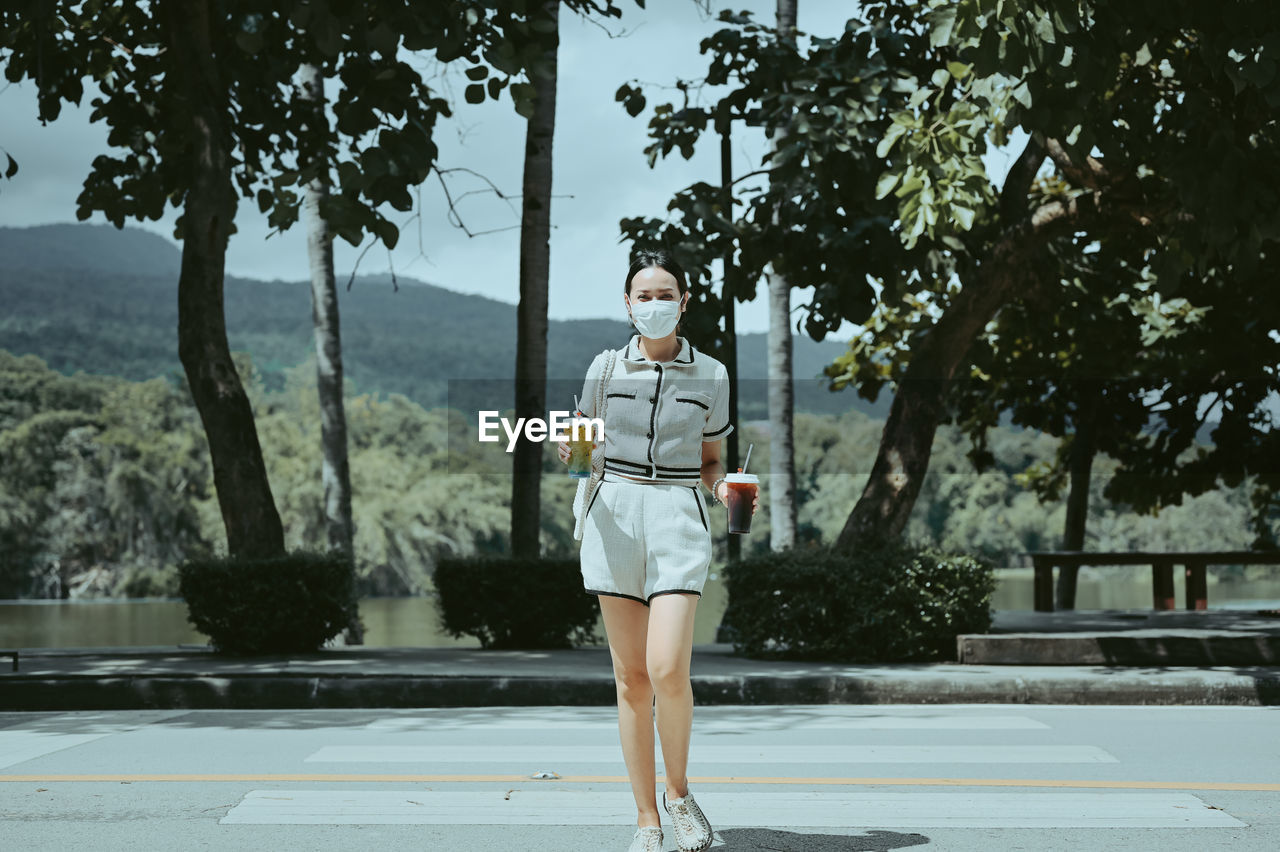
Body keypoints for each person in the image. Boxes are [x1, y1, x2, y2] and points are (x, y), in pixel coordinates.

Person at [558, 248, 758, 852]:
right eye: (642, 296)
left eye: (664, 294)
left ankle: (679, 794)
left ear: (684, 301)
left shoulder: (713, 376)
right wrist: (570, 453)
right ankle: (646, 818)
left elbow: (712, 461)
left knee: (670, 669)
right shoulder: (603, 368)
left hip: (677, 518)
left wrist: (728, 491)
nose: (654, 305)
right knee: (632, 678)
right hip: (613, 516)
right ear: (627, 304)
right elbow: (580, 449)